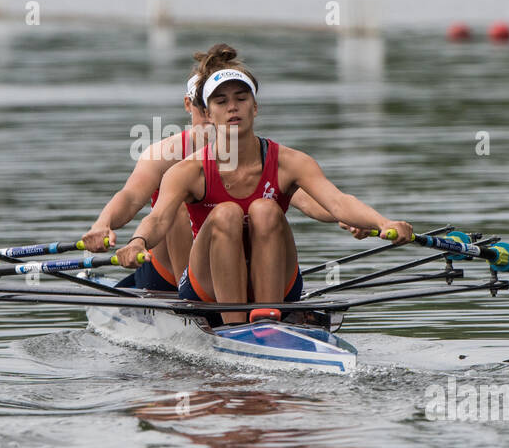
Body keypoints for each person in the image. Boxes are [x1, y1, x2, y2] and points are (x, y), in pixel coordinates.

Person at [114, 44, 413, 323]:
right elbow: (158, 218)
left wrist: (383, 221)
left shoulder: (290, 161)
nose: (233, 107)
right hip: (207, 288)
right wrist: (138, 242)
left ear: (255, 108)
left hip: (278, 283)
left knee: (266, 209)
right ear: (207, 113)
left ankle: (268, 320)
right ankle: (235, 326)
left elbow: (337, 202)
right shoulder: (187, 171)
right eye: (222, 101)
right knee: (226, 213)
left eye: (241, 99)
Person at [82, 67, 343, 291]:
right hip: (171, 273)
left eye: (232, 101)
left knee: (266, 208)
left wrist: (344, 216)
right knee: (179, 209)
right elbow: (130, 198)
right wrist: (102, 224)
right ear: (192, 105)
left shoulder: (250, 152)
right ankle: (195, 302)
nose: (220, 113)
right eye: (210, 104)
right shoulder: (165, 154)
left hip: (234, 265)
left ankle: (256, 304)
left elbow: (305, 199)